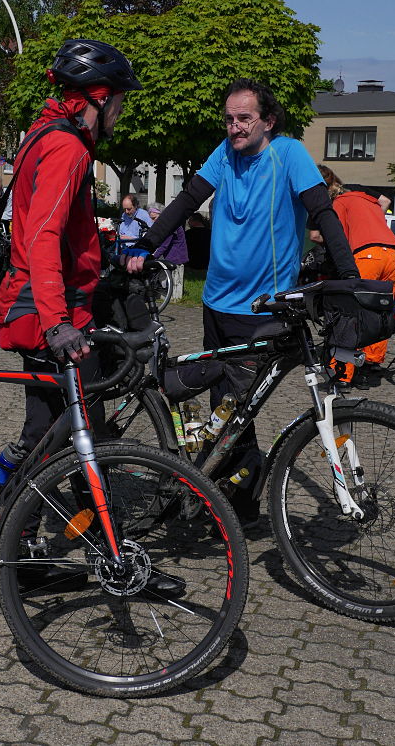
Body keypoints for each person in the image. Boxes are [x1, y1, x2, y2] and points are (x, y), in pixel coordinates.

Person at [122, 77, 359, 525]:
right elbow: (187, 200)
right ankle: (223, 500)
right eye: (229, 119)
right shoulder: (223, 155)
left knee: (241, 406)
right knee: (224, 408)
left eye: (245, 118)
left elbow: (322, 212)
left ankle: (236, 505)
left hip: (262, 309)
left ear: (267, 121)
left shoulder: (287, 154)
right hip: (216, 301)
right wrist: (144, 245)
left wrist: (349, 278)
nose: (235, 127)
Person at [0, 39, 177, 590]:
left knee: (68, 426)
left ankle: (82, 536)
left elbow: (54, 227)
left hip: (49, 299)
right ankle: (15, 533)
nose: (121, 111)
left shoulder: (45, 134)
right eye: (118, 100)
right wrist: (57, 321)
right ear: (94, 97)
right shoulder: (68, 148)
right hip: (44, 308)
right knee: (52, 429)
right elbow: (43, 234)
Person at [311, 164, 395, 390]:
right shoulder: (364, 196)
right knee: (380, 310)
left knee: (350, 312)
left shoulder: (337, 204)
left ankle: (342, 375)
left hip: (366, 255)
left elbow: (326, 237)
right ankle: (371, 368)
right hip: (390, 253)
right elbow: (385, 202)